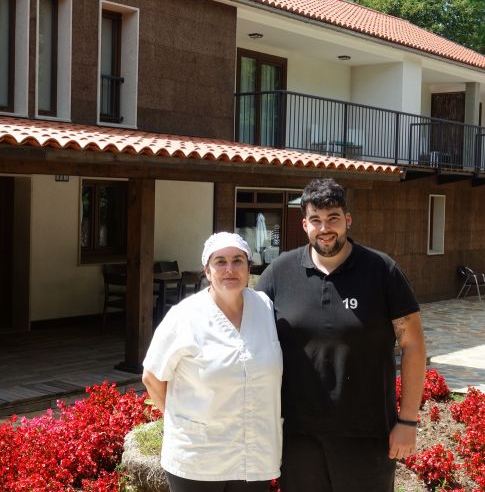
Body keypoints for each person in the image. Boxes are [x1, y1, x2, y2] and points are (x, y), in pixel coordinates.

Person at [256, 178, 426, 492]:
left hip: (367, 436)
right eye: (316, 221)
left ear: (347, 219)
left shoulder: (382, 271)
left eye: (333, 218)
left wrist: (408, 421)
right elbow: (250, 341)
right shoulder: (278, 275)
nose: (325, 228)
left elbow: (413, 345)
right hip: (296, 437)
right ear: (304, 224)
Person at [142, 232, 282, 492]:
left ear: (249, 268)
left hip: (254, 457)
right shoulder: (184, 316)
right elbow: (152, 376)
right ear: (207, 270)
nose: (229, 269)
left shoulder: (265, 308)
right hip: (199, 458)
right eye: (220, 261)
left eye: (238, 260)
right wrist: (180, 421)